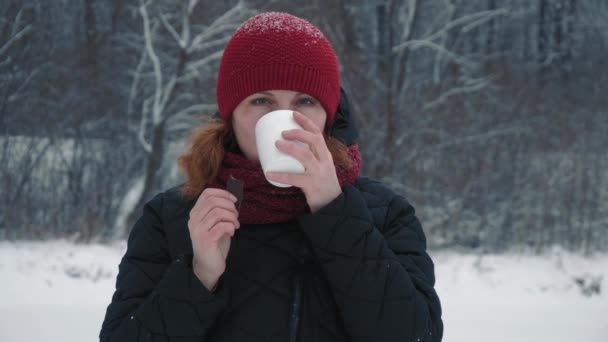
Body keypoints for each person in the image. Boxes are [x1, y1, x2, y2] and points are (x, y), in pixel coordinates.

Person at [100, 12, 443, 342]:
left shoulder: (384, 214)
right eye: (262, 100)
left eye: (305, 100)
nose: (284, 117)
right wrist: (200, 274)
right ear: (231, 116)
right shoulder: (172, 217)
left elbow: (416, 334)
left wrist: (335, 213)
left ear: (328, 115)